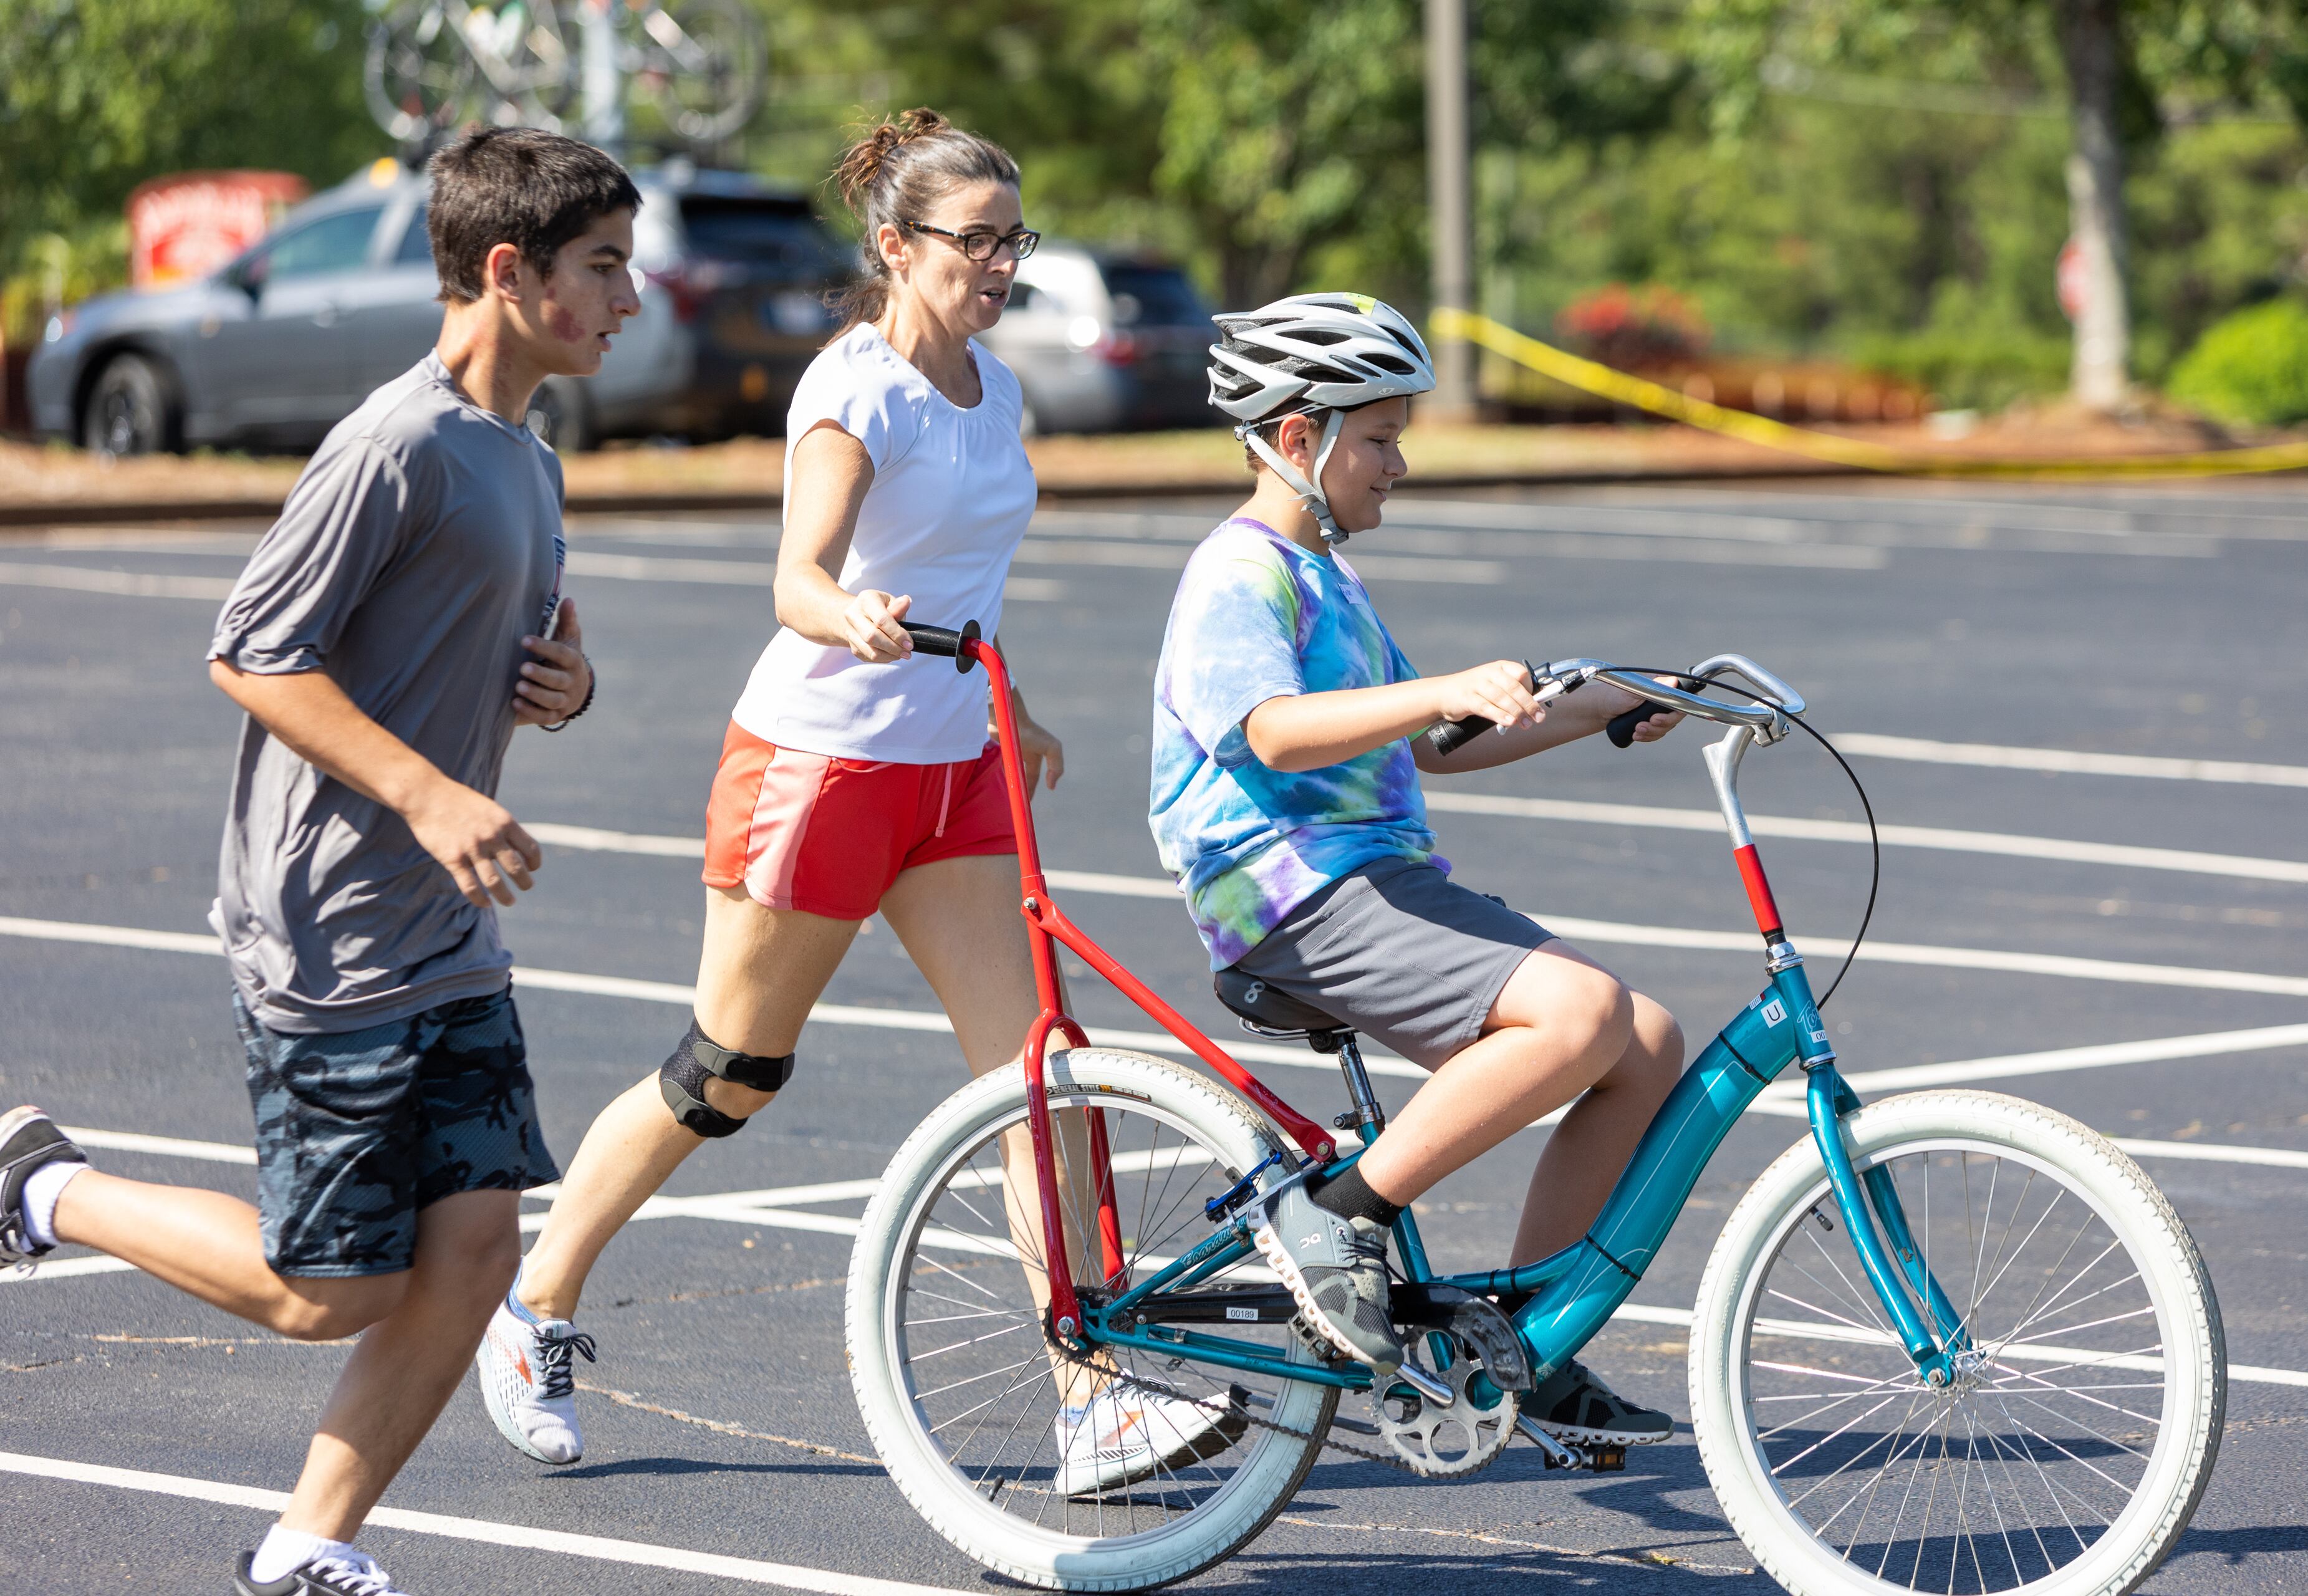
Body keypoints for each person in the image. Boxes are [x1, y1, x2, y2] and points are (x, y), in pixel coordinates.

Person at [474, 109, 1242, 1499]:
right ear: (897, 247)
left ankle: (1092, 1396)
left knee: (1038, 1086)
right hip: (819, 764)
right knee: (729, 1074)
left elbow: (971, 573)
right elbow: (795, 578)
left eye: (1017, 237)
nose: (1002, 262)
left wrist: (1018, 704)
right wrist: (854, 615)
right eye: (975, 239)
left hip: (955, 770)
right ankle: (534, 1307)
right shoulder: (854, 388)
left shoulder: (994, 390)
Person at [0, 126, 623, 1595]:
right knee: (328, 1290)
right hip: (331, 923)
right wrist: (427, 792)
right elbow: (250, 652)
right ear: (507, 272)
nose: (632, 297)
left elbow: (511, 648)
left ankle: (306, 1546)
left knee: (473, 1255)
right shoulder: (393, 443)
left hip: (448, 929)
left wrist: (568, 686)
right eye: (603, 268)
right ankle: (40, 1188)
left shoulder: (528, 458)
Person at [1148, 293, 1691, 1448]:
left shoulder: (1328, 577)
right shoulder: (1239, 574)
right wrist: (1441, 685)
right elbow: (1272, 732)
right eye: (1382, 437)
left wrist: (1613, 702)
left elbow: (1444, 748)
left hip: (1373, 876)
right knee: (1581, 1010)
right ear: (1299, 437)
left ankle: (1531, 1343)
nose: (1401, 461)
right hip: (1291, 889)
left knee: (1643, 1044)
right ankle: (1339, 1218)